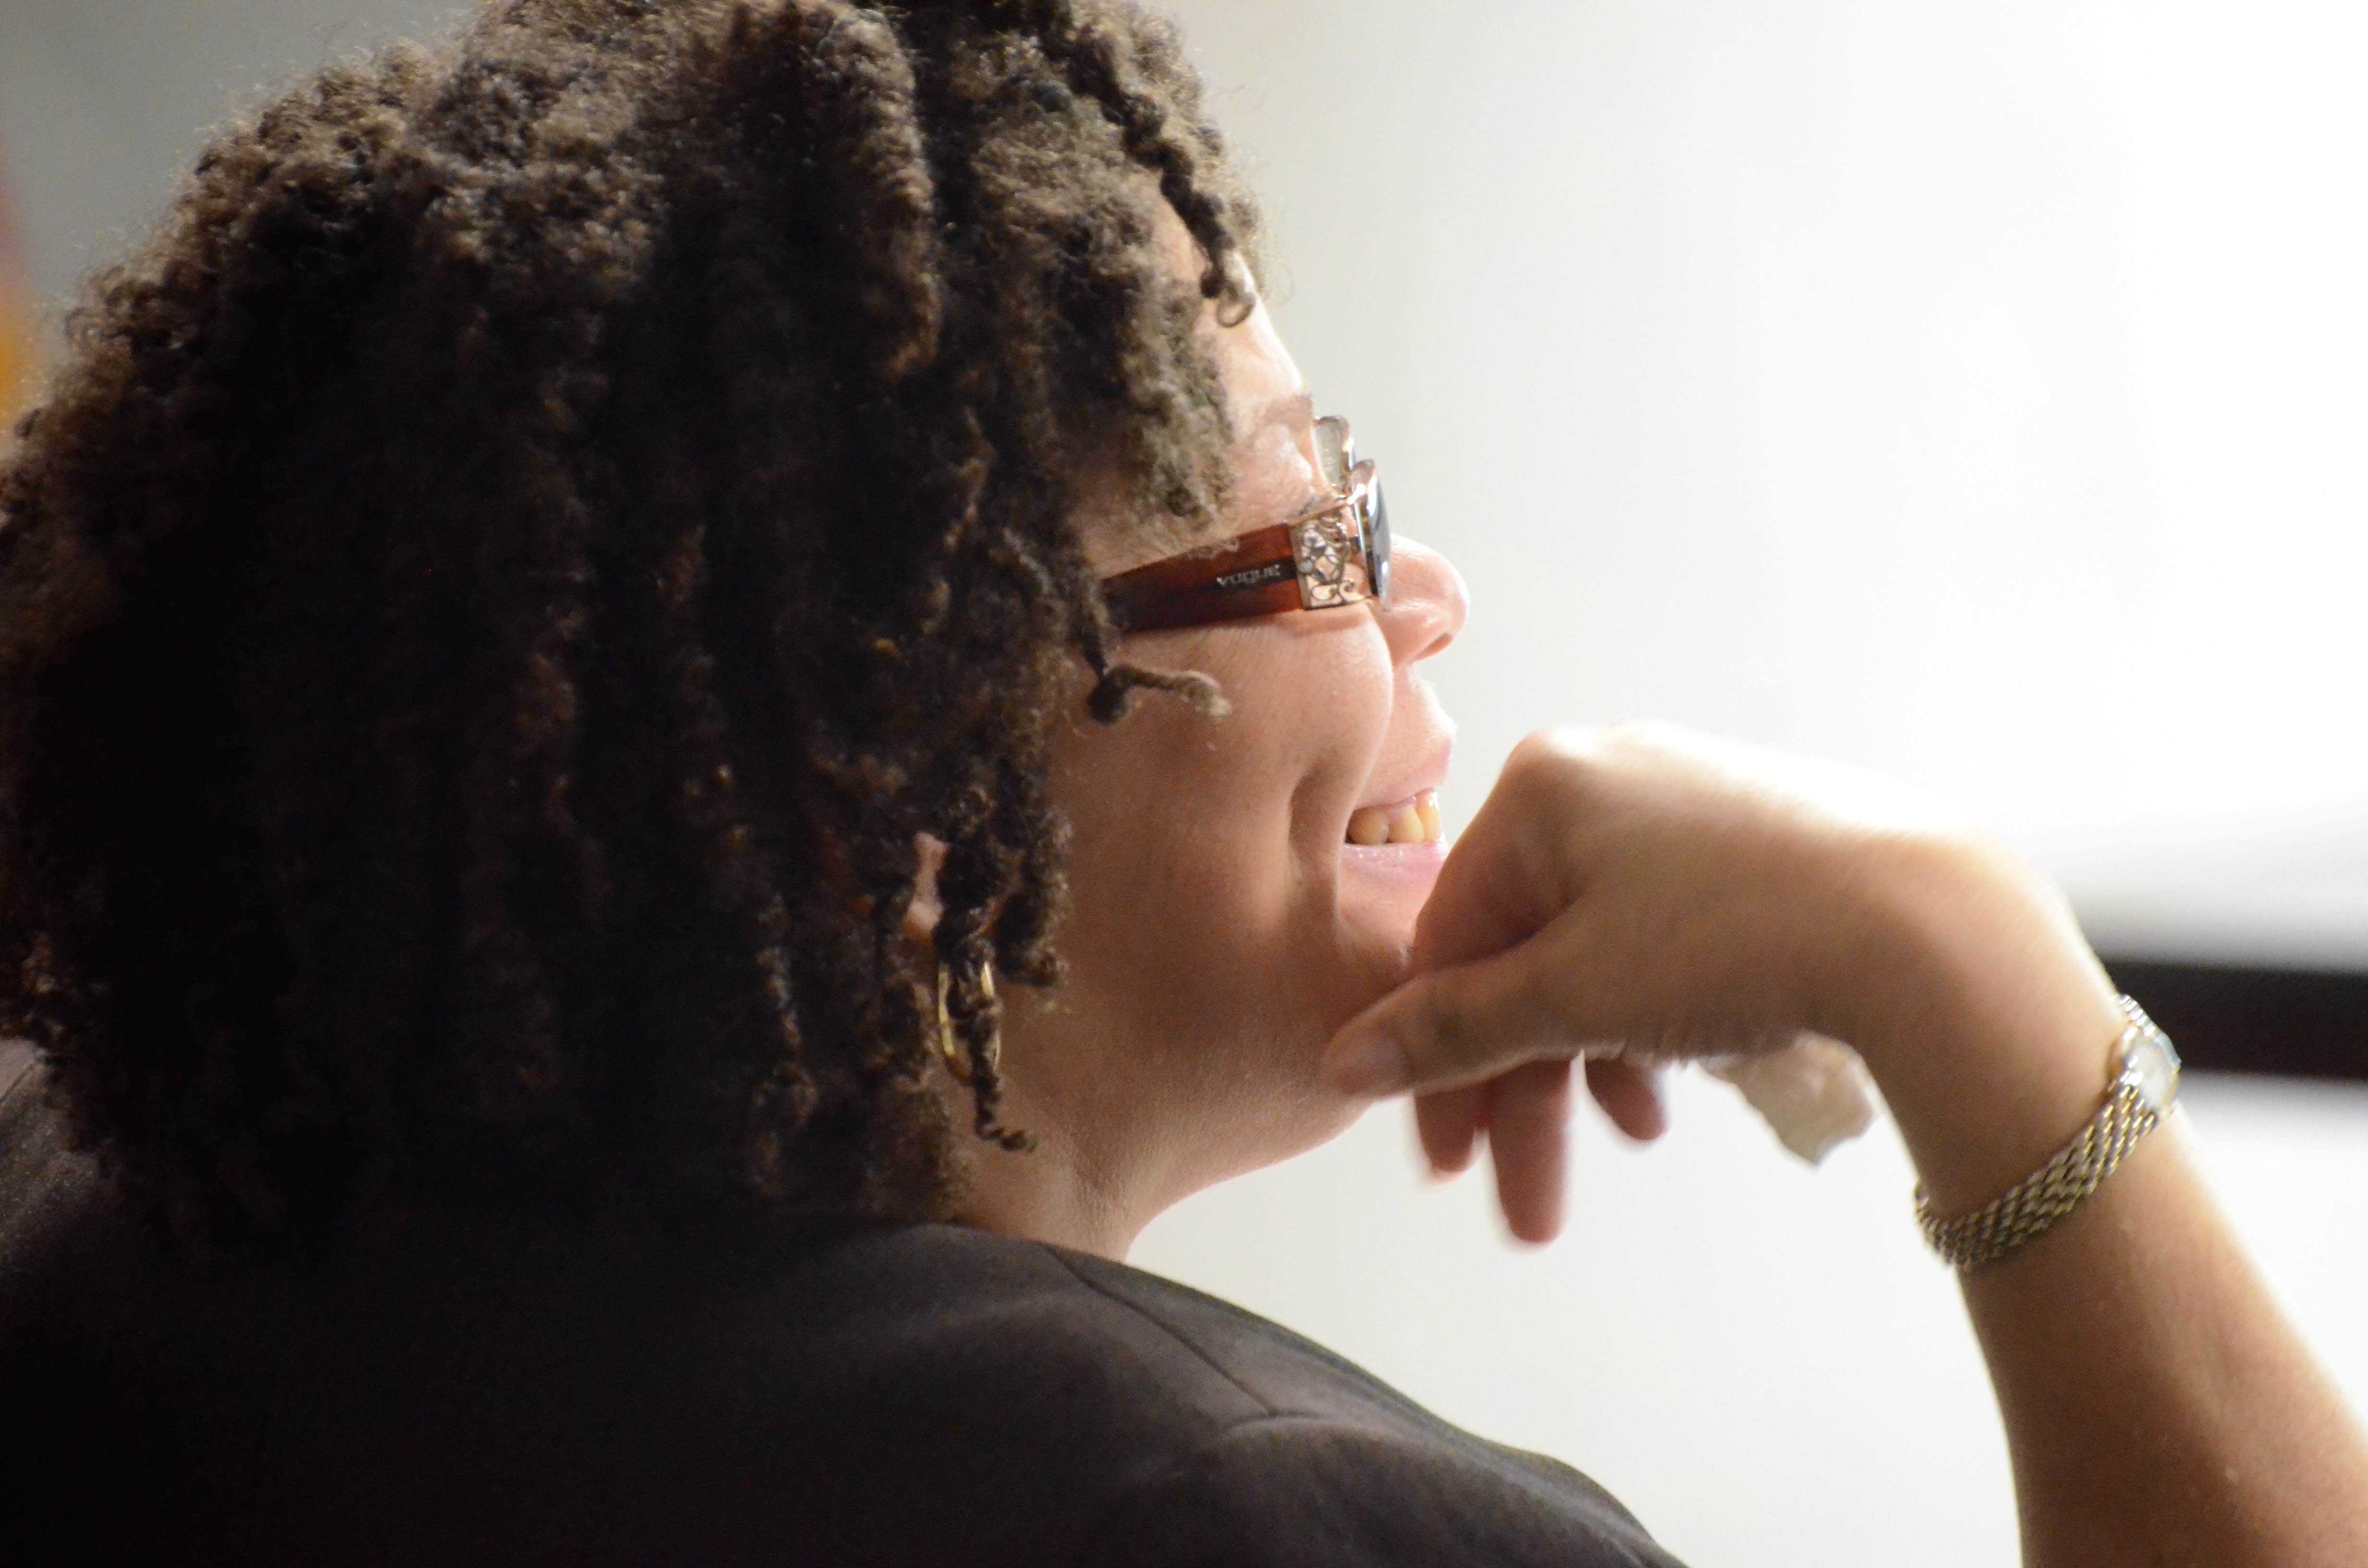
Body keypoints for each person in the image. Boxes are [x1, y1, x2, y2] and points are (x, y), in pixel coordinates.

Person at [0, 1, 2360, 1563]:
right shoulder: (1241, 1526)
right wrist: (1961, 967)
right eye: (1307, 533)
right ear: (888, 803)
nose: (1421, 590)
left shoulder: (87, 1248)